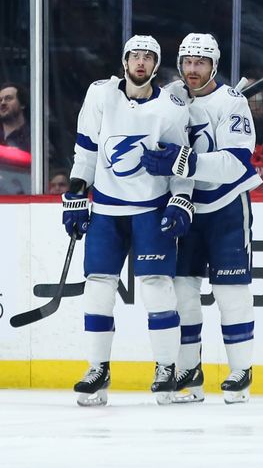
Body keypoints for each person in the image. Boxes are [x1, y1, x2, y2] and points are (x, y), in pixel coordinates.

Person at [64, 35, 194, 406]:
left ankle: (166, 369)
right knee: (98, 287)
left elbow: (179, 157)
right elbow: (86, 147)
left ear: (156, 65)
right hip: (106, 208)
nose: (140, 62)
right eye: (135, 56)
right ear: (124, 61)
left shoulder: (171, 104)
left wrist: (181, 198)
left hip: (151, 208)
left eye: (148, 57)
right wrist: (76, 193)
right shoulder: (100, 94)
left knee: (156, 287)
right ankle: (97, 369)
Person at [140, 33, 262, 404]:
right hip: (186, 204)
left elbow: (236, 163)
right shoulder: (170, 95)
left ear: (214, 65)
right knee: (182, 293)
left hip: (226, 206)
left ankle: (240, 370)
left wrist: (183, 160)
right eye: (188, 62)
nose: (193, 70)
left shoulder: (231, 102)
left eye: (201, 63)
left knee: (231, 293)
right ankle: (189, 370)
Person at [0, 82, 30, 152]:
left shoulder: (35, 137)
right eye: (0, 100)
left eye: (8, 98)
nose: (3, 103)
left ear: (22, 104)